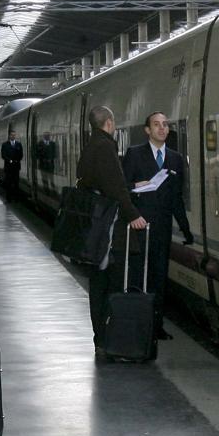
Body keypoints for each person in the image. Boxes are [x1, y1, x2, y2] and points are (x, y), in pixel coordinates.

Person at [76, 106, 147, 355]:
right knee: (109, 284)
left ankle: (102, 337)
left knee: (98, 283)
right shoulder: (105, 147)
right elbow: (115, 189)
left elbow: (101, 182)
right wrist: (134, 215)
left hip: (95, 227)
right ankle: (108, 337)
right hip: (108, 231)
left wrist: (131, 184)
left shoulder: (90, 147)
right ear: (108, 123)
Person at [121, 111, 193, 341]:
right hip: (139, 226)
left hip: (162, 228)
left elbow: (176, 198)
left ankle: (156, 325)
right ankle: (137, 323)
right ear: (147, 130)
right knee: (138, 274)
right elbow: (121, 187)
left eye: (165, 125)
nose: (162, 128)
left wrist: (185, 227)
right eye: (157, 125)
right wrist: (134, 185)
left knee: (159, 277)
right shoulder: (134, 154)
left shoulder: (175, 159)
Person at [1, 129, 24, 200]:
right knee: (8, 182)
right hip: (8, 167)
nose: (13, 136)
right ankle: (8, 197)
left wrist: (17, 160)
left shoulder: (18, 144)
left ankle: (16, 197)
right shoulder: (5, 144)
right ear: (9, 136)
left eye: (14, 135)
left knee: (16, 182)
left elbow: (21, 154)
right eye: (12, 135)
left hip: (16, 166)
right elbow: (3, 155)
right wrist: (9, 160)